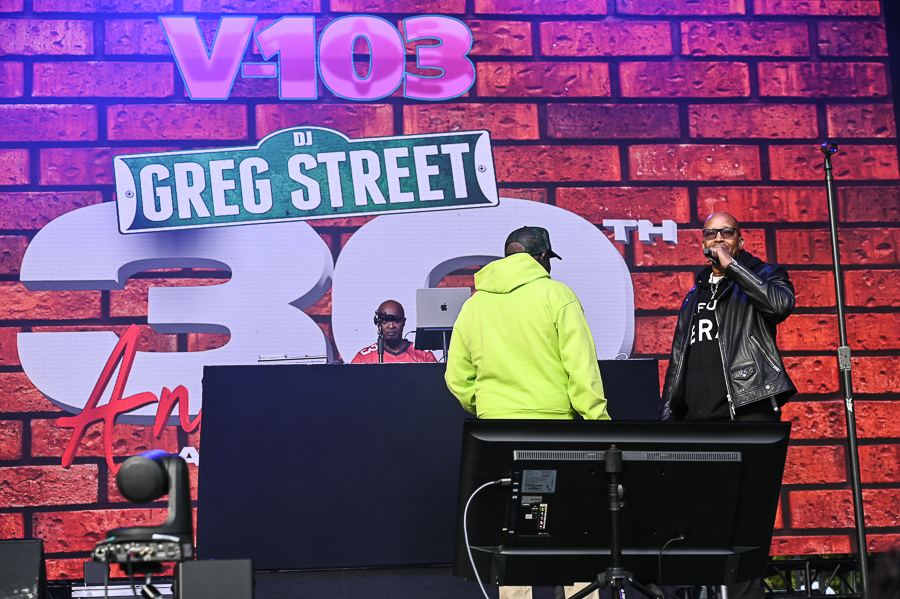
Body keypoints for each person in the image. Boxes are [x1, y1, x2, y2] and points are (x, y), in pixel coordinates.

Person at [446, 226, 608, 599]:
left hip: (496, 433)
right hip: (553, 430)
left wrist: (488, 406)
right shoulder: (557, 295)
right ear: (542, 257)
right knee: (571, 526)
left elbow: (456, 377)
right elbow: (582, 372)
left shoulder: (474, 305)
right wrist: (599, 425)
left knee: (512, 529)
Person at [658, 211, 797, 599]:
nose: (718, 238)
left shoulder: (763, 274)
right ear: (702, 242)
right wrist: (667, 415)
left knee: (746, 522)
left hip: (746, 412)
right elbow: (678, 361)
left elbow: (780, 306)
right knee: (703, 523)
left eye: (726, 233)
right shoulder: (694, 295)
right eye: (711, 233)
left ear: (740, 240)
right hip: (698, 422)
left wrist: (733, 267)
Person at [350, 300, 437, 363]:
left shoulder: (423, 354)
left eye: (396, 320)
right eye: (385, 321)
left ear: (404, 322)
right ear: (378, 323)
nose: (391, 326)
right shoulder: (363, 358)